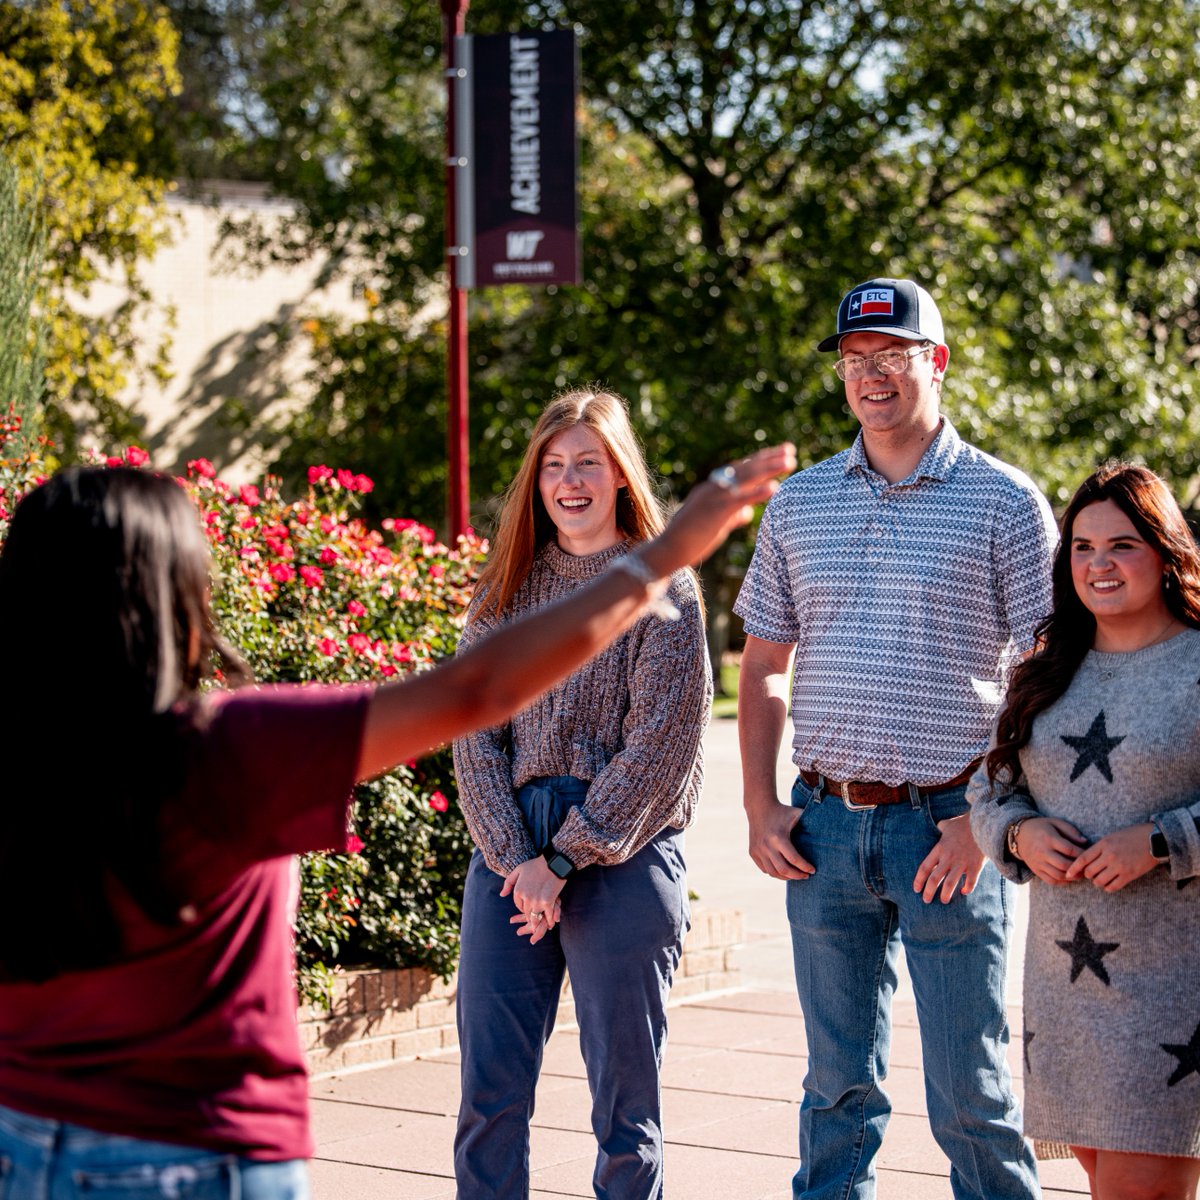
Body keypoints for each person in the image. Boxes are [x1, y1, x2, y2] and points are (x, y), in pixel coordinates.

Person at [0, 440, 793, 1200]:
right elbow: (473, 694)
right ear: (168, 597)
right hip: (196, 1154)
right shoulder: (234, 747)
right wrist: (661, 556)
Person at [734, 276, 1056, 1199]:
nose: (872, 377)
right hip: (823, 827)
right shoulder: (799, 504)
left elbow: (1046, 675)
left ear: (937, 362)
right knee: (836, 1086)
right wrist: (760, 805)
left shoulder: (1004, 501)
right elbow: (760, 668)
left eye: (893, 357)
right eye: (854, 361)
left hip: (950, 826)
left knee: (970, 1092)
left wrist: (986, 821)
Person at [450, 388, 712, 1199]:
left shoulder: (666, 592)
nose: (570, 481)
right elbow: (473, 730)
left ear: (621, 476)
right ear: (536, 482)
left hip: (622, 854)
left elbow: (661, 751)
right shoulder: (505, 593)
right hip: (511, 855)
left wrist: (563, 858)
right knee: (489, 1095)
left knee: (624, 1113)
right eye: (554, 466)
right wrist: (517, 856)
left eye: (588, 463)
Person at [969, 462, 1200, 1200]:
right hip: (1067, 988)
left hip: (1176, 988)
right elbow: (989, 788)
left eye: (1122, 546)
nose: (1099, 565)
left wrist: (1163, 840)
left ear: (1165, 552)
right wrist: (1017, 835)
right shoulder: (1046, 668)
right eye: (1082, 547)